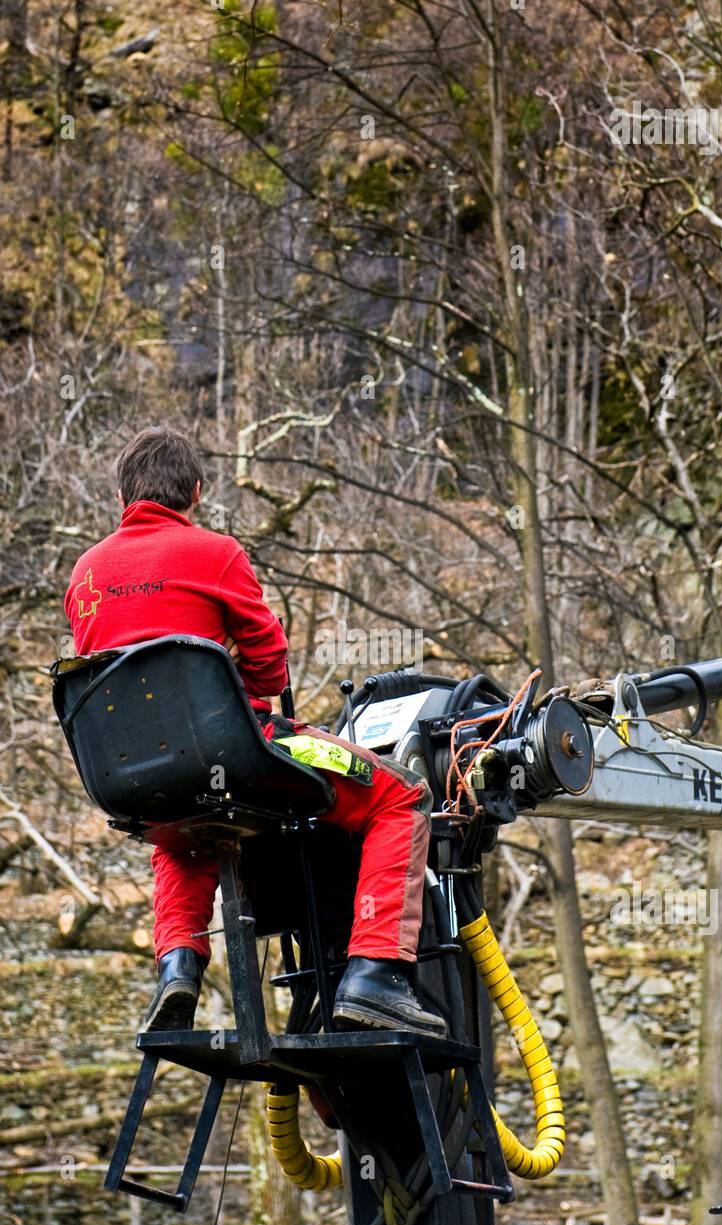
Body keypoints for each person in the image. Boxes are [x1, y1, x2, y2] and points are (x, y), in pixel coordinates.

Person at [63, 427, 446, 1038]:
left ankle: (178, 967)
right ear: (195, 491)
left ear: (120, 496)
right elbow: (270, 666)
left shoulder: (84, 575)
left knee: (180, 828)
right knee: (400, 795)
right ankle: (375, 973)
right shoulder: (215, 553)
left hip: (128, 776)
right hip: (237, 755)